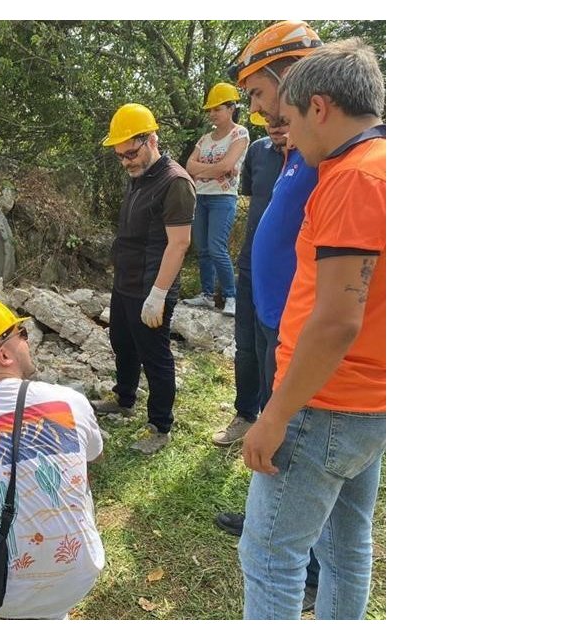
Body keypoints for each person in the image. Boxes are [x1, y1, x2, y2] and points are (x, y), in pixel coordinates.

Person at [237, 35, 387, 620]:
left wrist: (274, 415)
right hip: (368, 401)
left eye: (292, 119)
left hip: (322, 403)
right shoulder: (386, 166)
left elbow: (337, 320)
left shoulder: (353, 180)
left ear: (319, 107)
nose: (288, 135)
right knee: (346, 548)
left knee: (270, 557)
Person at [214, 21, 328, 612]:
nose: (257, 112)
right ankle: (264, 509)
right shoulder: (286, 150)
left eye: (258, 94)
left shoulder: (327, 154)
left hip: (299, 327)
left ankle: (307, 568)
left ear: (293, 76)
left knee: (296, 439)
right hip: (270, 315)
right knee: (264, 407)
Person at [0, 296, 105, 620]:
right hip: (78, 579)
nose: (28, 341)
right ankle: (52, 610)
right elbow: (94, 455)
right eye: (22, 334)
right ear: (4, 354)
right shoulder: (69, 402)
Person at [90, 103, 194, 455]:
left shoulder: (175, 182)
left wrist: (159, 294)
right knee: (122, 342)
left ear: (151, 140)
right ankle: (124, 398)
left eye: (131, 154)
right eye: (120, 156)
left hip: (152, 285)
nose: (126, 162)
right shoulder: (139, 176)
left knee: (155, 356)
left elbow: (179, 243)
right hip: (126, 280)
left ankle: (160, 426)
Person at [211, 117, 288, 447]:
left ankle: (274, 426)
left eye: (282, 119)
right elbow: (250, 201)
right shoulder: (258, 151)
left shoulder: (312, 156)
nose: (275, 125)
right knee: (245, 347)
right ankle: (245, 415)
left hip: (286, 275)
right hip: (250, 267)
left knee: (273, 350)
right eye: (269, 120)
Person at [182, 83, 250, 315]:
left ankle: (231, 296)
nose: (212, 113)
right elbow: (189, 166)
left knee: (216, 247)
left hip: (223, 198)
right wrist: (216, 169)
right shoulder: (205, 139)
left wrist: (204, 170)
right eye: (210, 109)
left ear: (231, 108)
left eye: (217, 109)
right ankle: (207, 295)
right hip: (201, 196)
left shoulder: (239, 133)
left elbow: (227, 165)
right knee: (202, 248)